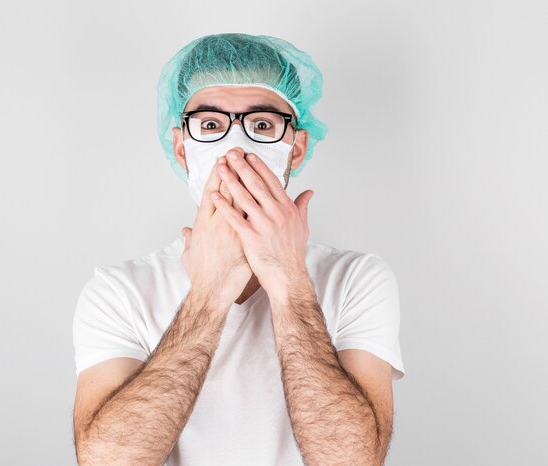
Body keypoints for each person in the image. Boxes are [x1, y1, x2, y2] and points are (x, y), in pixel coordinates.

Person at [72, 33, 405, 466]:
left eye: (262, 125)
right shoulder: (120, 292)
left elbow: (353, 461)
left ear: (296, 148)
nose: (236, 148)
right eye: (210, 125)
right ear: (181, 147)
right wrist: (209, 293)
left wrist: (288, 282)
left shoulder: (357, 280)